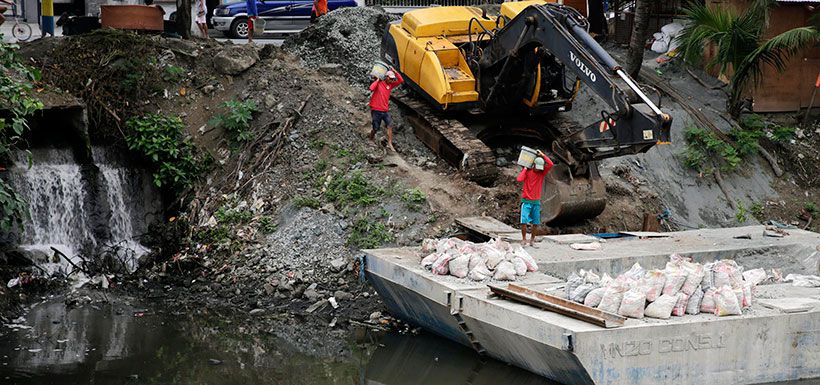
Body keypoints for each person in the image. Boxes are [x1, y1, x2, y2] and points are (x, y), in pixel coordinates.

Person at [516, 150, 554, 246]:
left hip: (536, 202)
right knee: (523, 221)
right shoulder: (528, 172)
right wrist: (524, 169)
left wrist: (543, 155)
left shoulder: (541, 173)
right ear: (533, 165)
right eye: (537, 167)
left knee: (535, 223)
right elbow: (519, 179)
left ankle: (532, 240)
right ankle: (524, 239)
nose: (539, 169)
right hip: (526, 201)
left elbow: (550, 164)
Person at [369, 68, 403, 151]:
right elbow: (371, 88)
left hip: (385, 110)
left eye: (392, 79)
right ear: (386, 77)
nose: (392, 80)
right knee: (376, 128)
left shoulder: (390, 85)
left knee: (389, 125)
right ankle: (371, 138)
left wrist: (395, 71)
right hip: (376, 110)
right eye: (390, 78)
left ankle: (390, 143)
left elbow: (401, 80)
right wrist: (377, 80)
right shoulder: (379, 83)